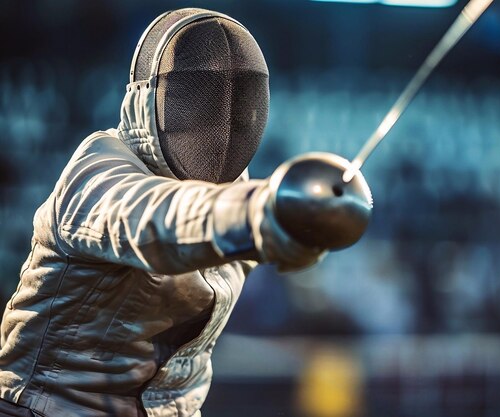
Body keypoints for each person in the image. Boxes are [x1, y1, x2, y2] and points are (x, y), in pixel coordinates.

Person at [0, 9, 370, 417]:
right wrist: (263, 213)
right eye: (198, 98)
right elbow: (159, 219)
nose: (221, 119)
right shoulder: (97, 171)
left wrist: (306, 230)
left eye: (237, 101)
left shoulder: (236, 195)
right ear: (150, 99)